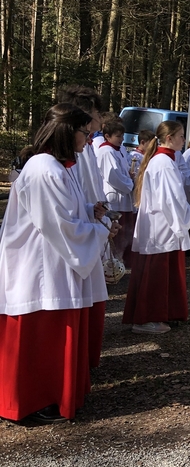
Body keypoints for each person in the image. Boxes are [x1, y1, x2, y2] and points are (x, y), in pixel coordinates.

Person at [0, 104, 117, 424]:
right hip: (38, 268)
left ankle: (50, 397)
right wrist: (101, 231)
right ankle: (32, 402)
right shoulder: (45, 169)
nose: (88, 139)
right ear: (67, 132)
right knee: (40, 339)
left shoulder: (59, 167)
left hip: (54, 263)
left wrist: (91, 213)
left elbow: (66, 213)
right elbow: (60, 226)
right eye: (84, 132)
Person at [123, 121, 190, 334]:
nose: (184, 140)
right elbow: (171, 199)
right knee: (156, 273)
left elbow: (175, 196)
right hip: (162, 227)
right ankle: (147, 318)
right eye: (181, 136)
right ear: (169, 138)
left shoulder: (164, 160)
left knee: (163, 272)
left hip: (162, 225)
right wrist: (187, 217)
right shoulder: (163, 162)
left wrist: (188, 213)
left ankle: (164, 313)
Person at [54, 85, 109, 367]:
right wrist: (98, 225)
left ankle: (84, 361)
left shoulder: (86, 148)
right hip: (80, 235)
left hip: (90, 226)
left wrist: (98, 214)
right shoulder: (73, 152)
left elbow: (89, 193)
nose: (100, 119)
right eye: (97, 112)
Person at [95, 119, 135, 266]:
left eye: (122, 135)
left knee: (125, 231)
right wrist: (130, 184)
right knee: (117, 231)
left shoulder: (117, 150)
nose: (121, 139)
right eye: (118, 136)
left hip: (123, 196)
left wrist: (129, 176)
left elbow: (122, 172)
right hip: (115, 197)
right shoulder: (106, 151)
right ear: (107, 136)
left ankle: (121, 260)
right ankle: (114, 262)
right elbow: (113, 176)